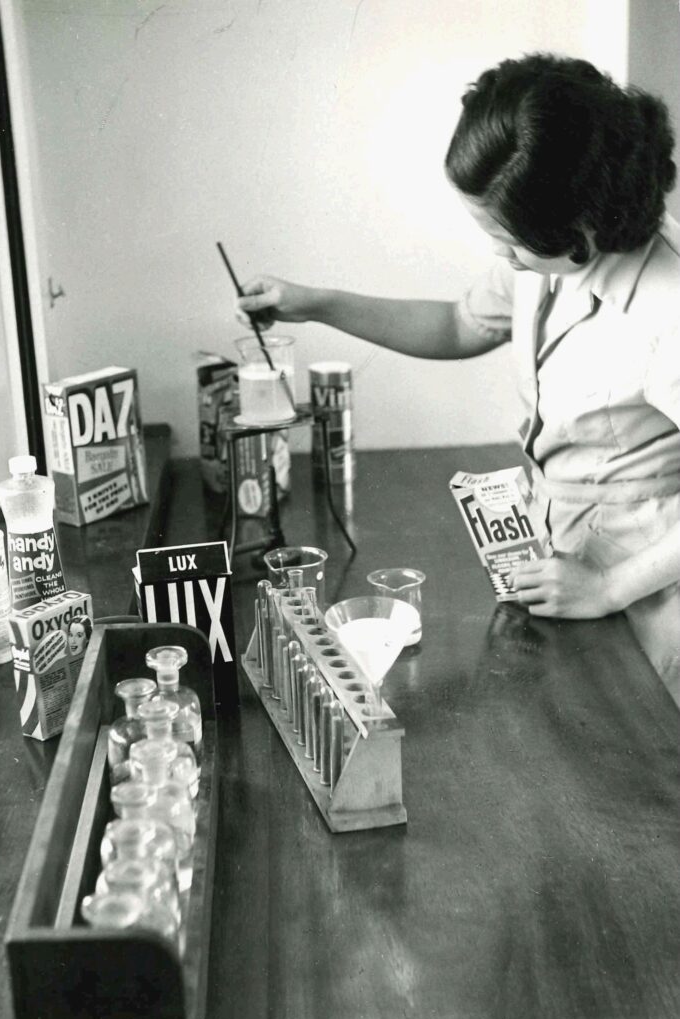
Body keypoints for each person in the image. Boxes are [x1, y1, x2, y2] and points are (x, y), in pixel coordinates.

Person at [236, 53, 680, 704]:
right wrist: (317, 303)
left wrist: (612, 587)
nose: (499, 256)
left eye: (509, 240)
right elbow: (457, 326)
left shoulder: (668, 307)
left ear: (583, 226)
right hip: (565, 560)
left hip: (648, 595)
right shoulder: (545, 252)